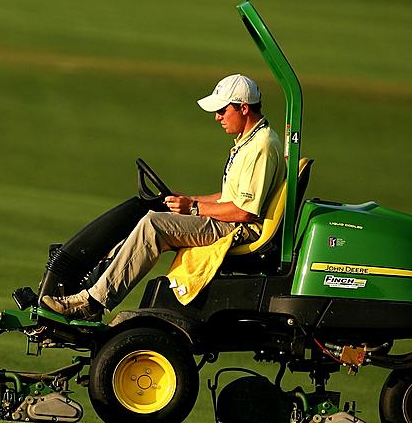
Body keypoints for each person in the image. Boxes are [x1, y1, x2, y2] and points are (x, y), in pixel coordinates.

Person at [42, 74, 285, 320]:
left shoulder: (261, 147)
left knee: (154, 225)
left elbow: (244, 211)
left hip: (239, 228)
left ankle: (92, 302)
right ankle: (92, 286)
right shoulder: (250, 141)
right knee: (152, 217)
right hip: (231, 220)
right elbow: (229, 195)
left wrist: (193, 208)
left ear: (244, 108)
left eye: (222, 110)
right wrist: (187, 199)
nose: (217, 117)